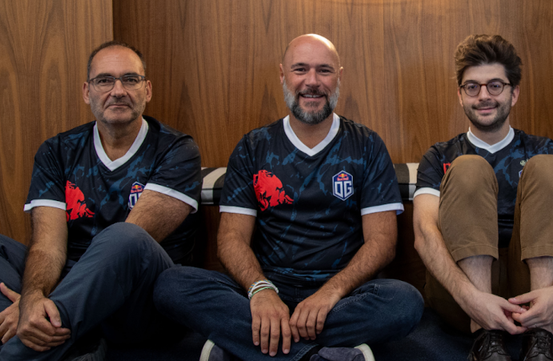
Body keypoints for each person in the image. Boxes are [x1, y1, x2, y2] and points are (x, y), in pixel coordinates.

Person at [153, 34, 423, 361]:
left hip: (340, 297)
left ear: (339, 77)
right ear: (283, 75)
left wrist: (330, 293)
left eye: (324, 70)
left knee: (405, 302)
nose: (312, 81)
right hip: (266, 289)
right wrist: (260, 290)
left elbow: (382, 242)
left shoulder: (367, 145)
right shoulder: (253, 147)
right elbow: (231, 238)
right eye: (300, 69)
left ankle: (252, 343)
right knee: (170, 284)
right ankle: (314, 354)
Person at [0, 41, 203, 361]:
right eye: (104, 80)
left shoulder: (177, 150)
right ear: (87, 91)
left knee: (124, 236)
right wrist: (33, 298)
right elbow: (47, 246)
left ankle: (16, 350)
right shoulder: (57, 151)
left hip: (140, 302)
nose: (118, 90)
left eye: (130, 79)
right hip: (66, 286)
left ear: (146, 90)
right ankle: (70, 344)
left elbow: (130, 246)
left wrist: (39, 305)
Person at [413, 34, 553, 361]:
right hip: (463, 293)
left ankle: (541, 340)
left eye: (495, 85)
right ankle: (486, 339)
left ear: (514, 93)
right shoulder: (439, 156)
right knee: (468, 167)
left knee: (549, 166)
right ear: (460, 95)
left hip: (536, 284)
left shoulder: (545, 149)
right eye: (472, 87)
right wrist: (470, 298)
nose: (484, 96)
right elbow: (425, 233)